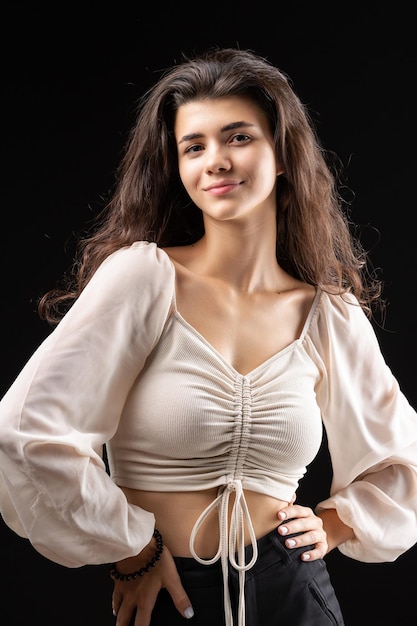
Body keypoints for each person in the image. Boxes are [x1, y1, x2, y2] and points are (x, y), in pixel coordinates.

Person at [0, 46, 416, 626]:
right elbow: (26, 430)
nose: (215, 160)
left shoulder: (327, 314)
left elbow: (402, 458)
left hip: (294, 591)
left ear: (283, 153)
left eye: (238, 137)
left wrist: (337, 522)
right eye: (194, 146)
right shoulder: (144, 278)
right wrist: (133, 550)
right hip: (170, 591)